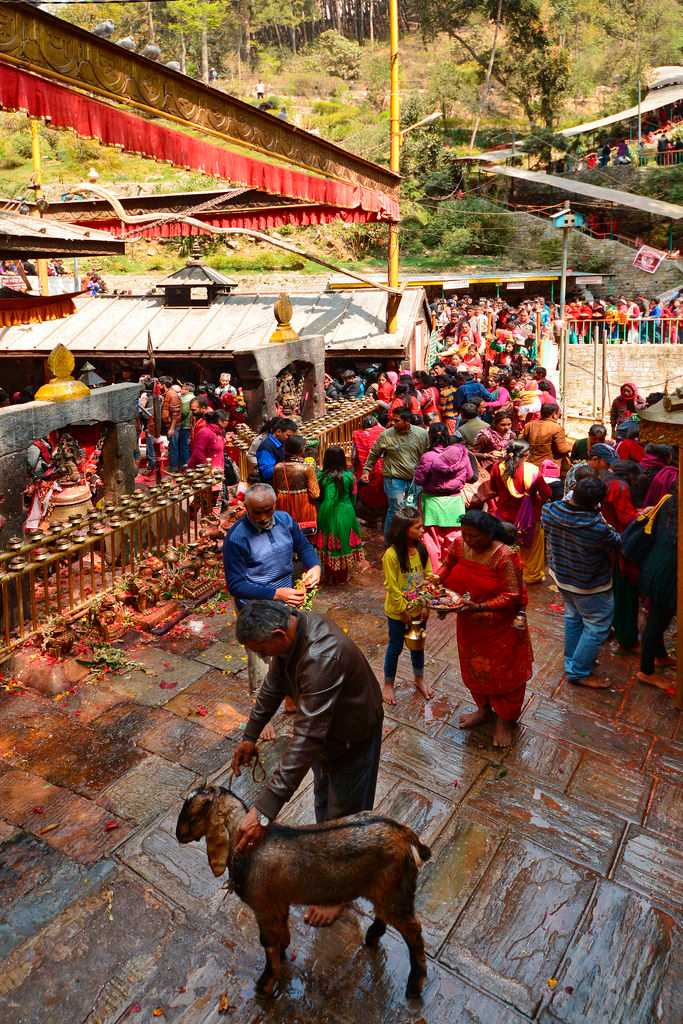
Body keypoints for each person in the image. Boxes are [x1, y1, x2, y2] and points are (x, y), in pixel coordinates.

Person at [230, 599, 383, 927]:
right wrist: (250, 734)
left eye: (262, 650)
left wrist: (264, 811)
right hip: (327, 738)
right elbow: (274, 684)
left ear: (278, 634)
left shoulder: (320, 655)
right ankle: (329, 865)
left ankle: (342, 891)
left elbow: (306, 739)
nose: (262, 657)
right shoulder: (291, 633)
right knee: (325, 803)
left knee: (346, 816)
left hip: (351, 735)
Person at [438, 510, 532, 748]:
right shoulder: (459, 544)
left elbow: (512, 595)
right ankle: (483, 709)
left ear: (490, 534)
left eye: (474, 536)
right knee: (474, 669)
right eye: (465, 534)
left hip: (501, 628)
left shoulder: (504, 556)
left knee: (503, 673)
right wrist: (432, 588)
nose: (468, 540)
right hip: (469, 623)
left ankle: (505, 720)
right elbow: (446, 568)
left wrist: (478, 607)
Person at [224, 484, 321, 696]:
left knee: (292, 652)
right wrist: (275, 593)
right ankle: (262, 711)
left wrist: (314, 565)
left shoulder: (285, 521)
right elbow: (236, 585)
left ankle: (290, 697)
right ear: (245, 508)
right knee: (261, 662)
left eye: (267, 510)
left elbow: (304, 546)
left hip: (285, 601)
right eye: (256, 512)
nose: (262, 517)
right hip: (256, 607)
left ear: (275, 505)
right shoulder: (236, 538)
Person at [542, 476, 621, 688]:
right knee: (596, 626)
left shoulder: (549, 511)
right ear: (597, 502)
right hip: (589, 584)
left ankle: (573, 661)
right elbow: (617, 542)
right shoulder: (597, 527)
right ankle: (578, 671)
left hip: (562, 576)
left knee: (574, 617)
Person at [382, 507, 433, 704]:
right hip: (398, 613)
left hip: (419, 611)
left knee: (418, 645)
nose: (423, 530)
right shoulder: (391, 555)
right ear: (404, 530)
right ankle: (388, 684)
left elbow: (428, 578)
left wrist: (426, 603)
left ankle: (419, 678)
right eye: (418, 527)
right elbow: (391, 587)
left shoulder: (421, 549)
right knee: (395, 647)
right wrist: (403, 611)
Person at [360, 408, 429, 540]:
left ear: (407, 421)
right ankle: (390, 540)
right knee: (397, 508)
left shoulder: (421, 434)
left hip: (414, 480)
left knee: (410, 508)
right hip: (394, 480)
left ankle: (406, 540)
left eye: (396, 420)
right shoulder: (386, 435)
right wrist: (366, 471)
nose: (392, 423)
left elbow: (426, 455)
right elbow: (374, 453)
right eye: (392, 419)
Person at [489, 440, 551, 584]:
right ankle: (531, 576)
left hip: (504, 515)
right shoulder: (533, 470)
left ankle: (508, 573)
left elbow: (493, 488)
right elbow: (547, 493)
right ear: (526, 454)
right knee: (532, 547)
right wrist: (537, 502)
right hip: (530, 517)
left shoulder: (497, 467)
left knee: (506, 546)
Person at [633, 494, 678, 688]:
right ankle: (646, 671)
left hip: (655, 564)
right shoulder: (669, 502)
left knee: (660, 616)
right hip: (668, 572)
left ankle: (660, 656)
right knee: (658, 619)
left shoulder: (668, 500)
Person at [414, 423, 470, 561]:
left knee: (431, 540)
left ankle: (434, 574)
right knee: (455, 539)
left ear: (430, 437)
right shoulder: (461, 454)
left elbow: (419, 480)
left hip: (432, 503)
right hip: (455, 503)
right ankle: (452, 574)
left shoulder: (428, 457)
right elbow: (470, 476)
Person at [315, 446, 363, 584]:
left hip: (325, 511)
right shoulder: (350, 477)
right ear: (343, 459)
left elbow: (318, 496)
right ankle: (342, 577)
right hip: (346, 511)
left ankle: (329, 575)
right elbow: (354, 497)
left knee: (327, 542)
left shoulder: (320, 476)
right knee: (344, 541)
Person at [272, 434, 320, 535]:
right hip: (303, 506)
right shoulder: (307, 469)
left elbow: (275, 489)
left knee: (285, 534)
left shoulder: (278, 467)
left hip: (283, 504)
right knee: (304, 537)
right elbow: (315, 494)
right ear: (301, 450)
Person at [352, 414, 386, 521]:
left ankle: (370, 519)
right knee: (381, 493)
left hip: (365, 470)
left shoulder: (358, 435)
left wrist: (354, 469)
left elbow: (354, 456)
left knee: (367, 492)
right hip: (383, 468)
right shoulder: (383, 431)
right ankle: (382, 516)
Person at [522, 403, 572, 471]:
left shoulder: (529, 425)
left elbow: (522, 444)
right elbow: (562, 449)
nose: (558, 417)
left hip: (530, 466)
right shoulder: (557, 428)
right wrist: (570, 447)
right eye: (559, 414)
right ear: (554, 414)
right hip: (548, 468)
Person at [256, 417, 297, 483]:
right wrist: (287, 465)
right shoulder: (266, 447)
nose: (290, 439)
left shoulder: (282, 442)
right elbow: (266, 473)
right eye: (288, 435)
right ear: (278, 432)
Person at [159, 376, 182, 472]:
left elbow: (175, 413)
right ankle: (173, 465)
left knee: (173, 446)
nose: (158, 385)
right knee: (172, 446)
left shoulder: (172, 395)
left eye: (159, 384)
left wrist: (172, 428)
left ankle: (174, 467)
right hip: (170, 425)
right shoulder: (167, 394)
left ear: (163, 385)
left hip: (174, 426)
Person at [178, 382, 194, 468]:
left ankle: (185, 465)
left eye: (182, 388)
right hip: (190, 425)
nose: (181, 390)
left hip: (185, 424)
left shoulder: (185, 399)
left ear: (187, 390)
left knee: (184, 446)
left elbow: (183, 413)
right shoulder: (193, 397)